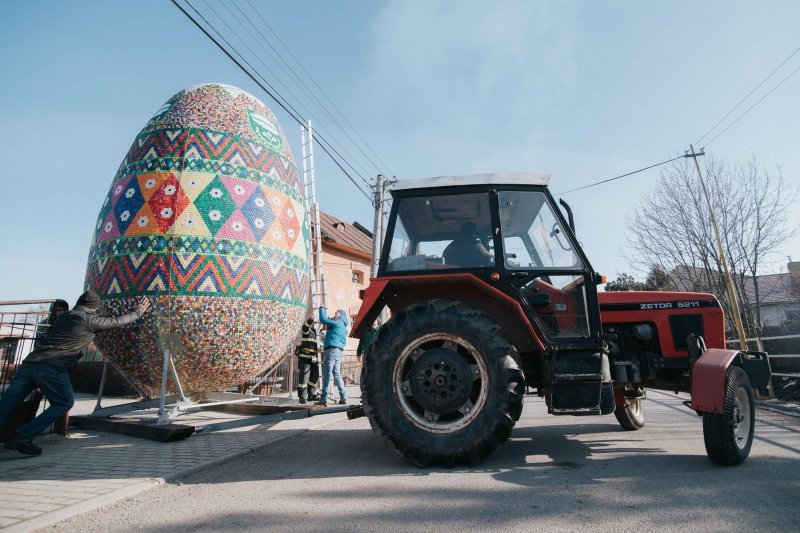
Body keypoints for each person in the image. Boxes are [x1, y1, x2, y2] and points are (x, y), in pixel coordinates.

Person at [0, 290, 151, 456]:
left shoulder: (64, 317)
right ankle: (22, 435)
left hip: (30, 364)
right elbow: (115, 322)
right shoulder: (89, 320)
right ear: (93, 308)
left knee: (8, 402)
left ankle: (15, 436)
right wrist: (138, 312)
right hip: (52, 367)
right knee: (63, 403)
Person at [315, 306, 349, 406]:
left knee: (327, 374)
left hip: (331, 350)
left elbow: (323, 319)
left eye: (336, 312)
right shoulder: (343, 326)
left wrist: (321, 308)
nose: (334, 314)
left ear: (340, 314)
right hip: (338, 351)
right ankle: (343, 397)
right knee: (337, 374)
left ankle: (323, 399)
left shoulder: (337, 321)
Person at [295, 317, 321, 404]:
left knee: (314, 378)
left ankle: (311, 395)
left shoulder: (321, 335)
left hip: (315, 360)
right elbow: (304, 328)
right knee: (304, 379)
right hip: (305, 358)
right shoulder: (308, 331)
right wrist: (310, 320)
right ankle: (302, 397)